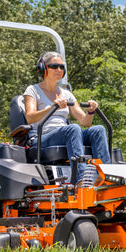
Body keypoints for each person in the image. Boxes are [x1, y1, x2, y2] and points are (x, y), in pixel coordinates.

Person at [23, 51, 110, 181]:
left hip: (66, 134)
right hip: (42, 137)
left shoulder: (66, 94)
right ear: (43, 68)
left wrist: (91, 111)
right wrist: (52, 108)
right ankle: (81, 180)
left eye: (61, 67)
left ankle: (106, 177)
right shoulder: (33, 90)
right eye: (54, 66)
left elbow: (85, 122)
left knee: (99, 130)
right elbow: (30, 117)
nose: (59, 69)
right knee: (73, 128)